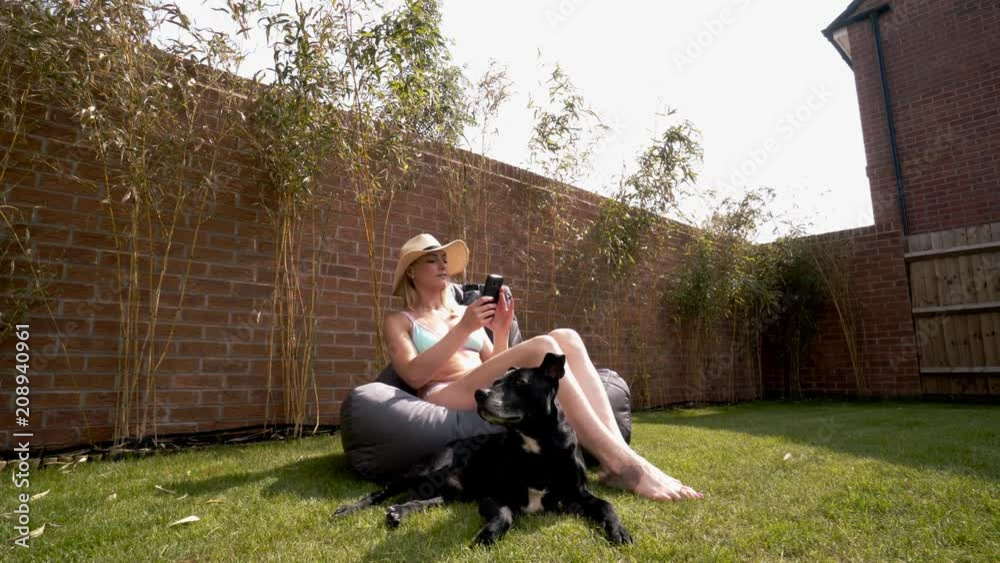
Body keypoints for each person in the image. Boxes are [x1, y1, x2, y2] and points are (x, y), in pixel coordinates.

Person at [383, 233, 703, 502]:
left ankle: (616, 453)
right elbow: (413, 374)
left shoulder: (462, 310)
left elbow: (496, 371)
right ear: (411, 271)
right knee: (543, 346)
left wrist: (500, 331)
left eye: (444, 259)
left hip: (481, 388)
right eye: (432, 260)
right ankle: (624, 466)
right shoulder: (400, 320)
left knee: (567, 337)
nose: (443, 265)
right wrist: (465, 328)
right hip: (443, 393)